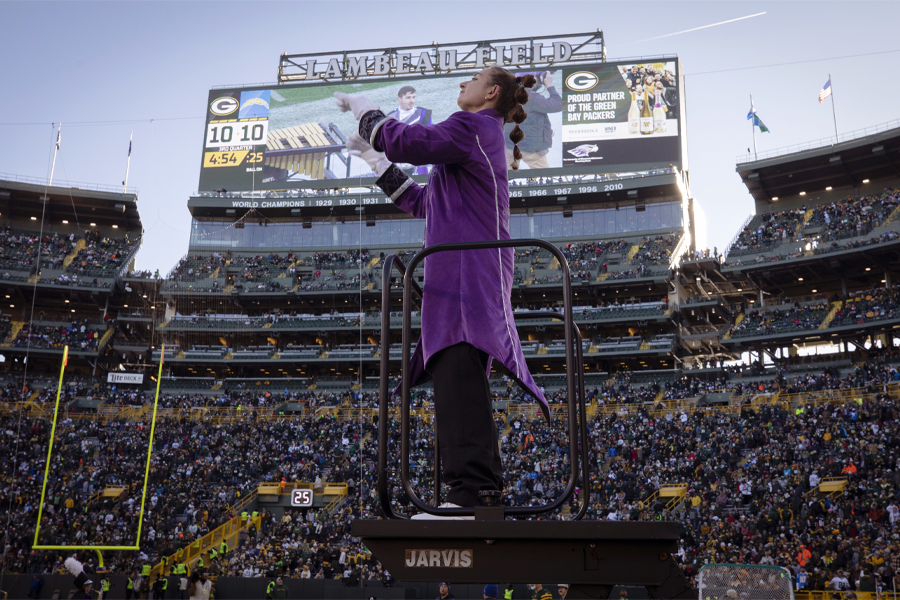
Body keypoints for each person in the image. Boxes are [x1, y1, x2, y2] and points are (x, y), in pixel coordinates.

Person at [334, 66, 548, 514]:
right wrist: (374, 160)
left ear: (490, 92)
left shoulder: (472, 126)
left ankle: (473, 493)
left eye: (470, 79)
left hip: (468, 275)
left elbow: (408, 142)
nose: (460, 85)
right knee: (455, 379)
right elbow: (422, 202)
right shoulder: (471, 139)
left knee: (459, 376)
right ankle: (475, 492)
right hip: (462, 277)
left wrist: (363, 109)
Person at [503, 71, 562, 170]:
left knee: (505, 178)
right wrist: (549, 86)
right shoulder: (533, 98)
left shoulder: (507, 96)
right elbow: (558, 105)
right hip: (531, 149)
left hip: (509, 146)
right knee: (543, 178)